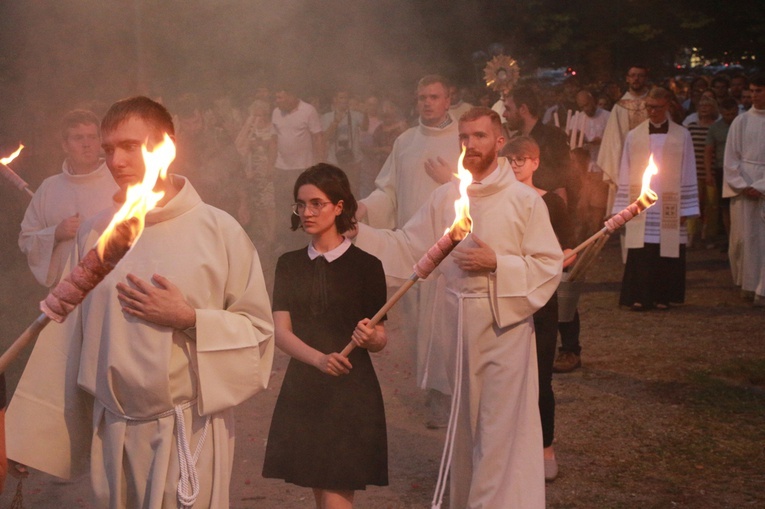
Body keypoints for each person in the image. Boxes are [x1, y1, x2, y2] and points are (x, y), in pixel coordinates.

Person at [6, 96, 275, 509]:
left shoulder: (218, 230)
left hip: (187, 425)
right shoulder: (96, 235)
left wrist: (190, 318)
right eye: (108, 148)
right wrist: (29, 436)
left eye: (129, 146)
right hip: (114, 431)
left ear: (164, 144)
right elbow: (64, 339)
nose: (115, 160)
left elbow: (258, 333)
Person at [351, 107, 563, 508]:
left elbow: (547, 265)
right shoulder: (445, 197)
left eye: (480, 136)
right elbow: (408, 247)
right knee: (465, 427)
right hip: (456, 324)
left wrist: (498, 262)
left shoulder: (523, 200)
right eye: (464, 137)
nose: (470, 145)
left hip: (504, 328)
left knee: (499, 429)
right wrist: (357, 232)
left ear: (500, 141)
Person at [262, 164, 388, 509]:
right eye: (300, 205)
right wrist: (318, 359)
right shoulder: (288, 264)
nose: (306, 212)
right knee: (321, 489)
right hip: (305, 386)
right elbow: (280, 332)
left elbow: (380, 339)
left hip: (350, 390)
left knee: (336, 492)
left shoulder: (367, 266)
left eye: (317, 203)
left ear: (339, 206)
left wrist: (369, 337)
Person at [356, 74, 461, 428]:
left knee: (448, 324)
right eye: (421, 98)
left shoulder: (465, 138)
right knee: (420, 325)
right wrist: (367, 207)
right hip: (415, 248)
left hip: (455, 248)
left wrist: (454, 178)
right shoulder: (405, 142)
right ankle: (435, 393)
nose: (427, 103)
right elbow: (388, 191)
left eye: (434, 97)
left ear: (449, 99)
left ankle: (455, 392)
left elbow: (483, 187)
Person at [501, 136, 576, 482]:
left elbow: (567, 250)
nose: (515, 165)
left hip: (541, 301)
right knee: (507, 378)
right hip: (507, 297)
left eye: (521, 159)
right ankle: (510, 448)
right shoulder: (500, 202)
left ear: (535, 162)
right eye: (510, 159)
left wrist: (563, 258)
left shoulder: (552, 204)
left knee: (540, 377)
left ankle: (546, 447)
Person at [613, 87, 700, 311]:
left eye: (657, 107)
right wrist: (625, 206)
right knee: (642, 250)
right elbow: (626, 169)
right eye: (649, 107)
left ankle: (664, 296)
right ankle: (640, 296)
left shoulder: (682, 135)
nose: (652, 112)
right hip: (642, 202)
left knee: (666, 249)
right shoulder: (635, 135)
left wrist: (686, 207)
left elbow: (689, 168)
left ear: (668, 105)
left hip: (670, 202)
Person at [18, 109, 118, 287]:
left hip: (110, 286)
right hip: (65, 293)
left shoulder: (120, 181)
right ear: (65, 145)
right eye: (78, 138)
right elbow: (27, 240)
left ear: (100, 141)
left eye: (92, 137)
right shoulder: (49, 188)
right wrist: (56, 233)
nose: (86, 144)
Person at [723, 73, 765, 306]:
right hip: (745, 188)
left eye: (759, 91)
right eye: (752, 91)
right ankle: (748, 283)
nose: (755, 96)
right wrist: (744, 185)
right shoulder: (741, 121)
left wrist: (761, 186)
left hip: (761, 188)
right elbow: (731, 158)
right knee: (746, 239)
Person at [269, 84, 326, 254]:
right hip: (282, 168)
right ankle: (287, 244)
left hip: (302, 169)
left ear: (292, 95)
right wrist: (270, 164)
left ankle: (306, 244)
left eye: (281, 97)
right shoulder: (276, 112)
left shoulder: (308, 111)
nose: (277, 101)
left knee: (303, 208)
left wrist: (320, 166)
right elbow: (273, 139)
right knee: (283, 208)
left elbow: (318, 138)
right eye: (276, 97)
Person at [598, 65, 650, 214]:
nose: (636, 79)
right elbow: (612, 142)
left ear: (645, 78)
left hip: (652, 162)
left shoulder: (654, 105)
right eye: (633, 75)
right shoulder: (620, 107)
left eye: (640, 75)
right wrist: (616, 168)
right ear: (627, 79)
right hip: (626, 166)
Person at [704, 97, 739, 244]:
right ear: (721, 112)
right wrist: (708, 173)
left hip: (740, 169)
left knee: (739, 204)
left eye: (732, 114)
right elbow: (708, 151)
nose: (729, 117)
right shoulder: (715, 128)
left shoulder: (742, 124)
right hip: (722, 169)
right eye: (726, 114)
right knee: (724, 206)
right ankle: (730, 238)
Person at [322, 90, 366, 196]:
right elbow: (324, 138)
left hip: (354, 158)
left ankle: (353, 212)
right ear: (335, 100)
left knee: (353, 189)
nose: (344, 100)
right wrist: (336, 122)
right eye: (341, 97)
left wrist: (365, 113)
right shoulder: (327, 117)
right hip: (334, 159)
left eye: (346, 98)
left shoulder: (356, 115)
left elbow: (365, 127)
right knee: (335, 190)